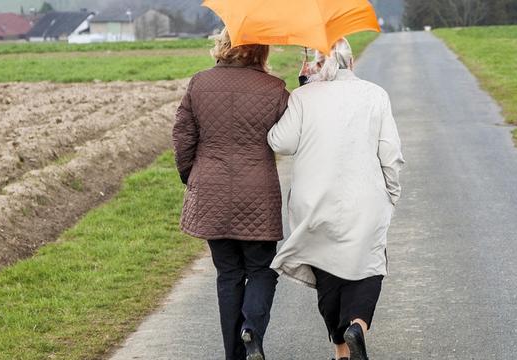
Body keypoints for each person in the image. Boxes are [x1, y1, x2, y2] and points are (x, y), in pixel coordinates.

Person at [267, 38, 404, 360]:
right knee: (368, 266)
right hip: (365, 198)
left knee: (326, 271)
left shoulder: (304, 96)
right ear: (351, 63)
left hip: (314, 201)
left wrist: (302, 88)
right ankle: (356, 325)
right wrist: (391, 194)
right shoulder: (375, 94)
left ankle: (341, 352)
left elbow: (280, 143)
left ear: (316, 64)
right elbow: (391, 153)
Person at [173, 29, 290, 360]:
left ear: (224, 45)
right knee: (261, 270)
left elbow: (182, 137)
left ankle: (233, 355)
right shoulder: (275, 89)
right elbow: (291, 136)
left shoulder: (199, 84)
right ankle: (251, 327)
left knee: (228, 274)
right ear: (261, 49)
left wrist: (191, 177)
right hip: (258, 193)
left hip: (210, 191)